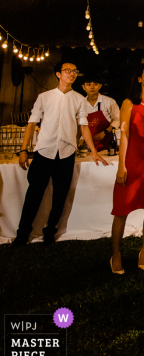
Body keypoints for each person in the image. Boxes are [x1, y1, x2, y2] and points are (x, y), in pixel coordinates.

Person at [11, 62, 109, 247]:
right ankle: (22, 234)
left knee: (60, 196)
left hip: (66, 153)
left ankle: (50, 232)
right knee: (33, 194)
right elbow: (32, 124)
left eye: (74, 71)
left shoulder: (79, 99)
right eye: (68, 71)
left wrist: (94, 152)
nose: (72, 74)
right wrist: (24, 150)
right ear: (58, 74)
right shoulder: (44, 97)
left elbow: (84, 126)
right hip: (44, 152)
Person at [110, 64, 144, 274]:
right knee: (121, 210)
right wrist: (121, 166)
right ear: (140, 79)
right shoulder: (129, 103)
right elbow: (123, 135)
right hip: (132, 163)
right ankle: (116, 254)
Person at [80, 73, 120, 152]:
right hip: (86, 145)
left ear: (100, 86)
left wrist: (105, 132)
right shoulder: (80, 103)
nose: (92, 87)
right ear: (83, 87)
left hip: (107, 142)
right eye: (88, 84)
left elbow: (117, 120)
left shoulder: (109, 102)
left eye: (95, 84)